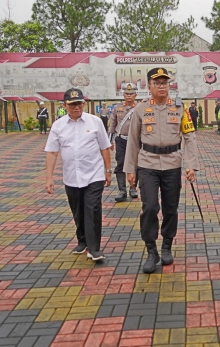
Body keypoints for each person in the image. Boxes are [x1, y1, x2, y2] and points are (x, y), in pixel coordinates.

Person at [124, 67, 198, 274]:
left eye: (165, 82)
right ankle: (151, 251)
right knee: (149, 207)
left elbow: (190, 136)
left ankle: (166, 246)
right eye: (157, 83)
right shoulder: (140, 109)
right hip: (147, 164)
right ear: (149, 87)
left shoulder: (179, 108)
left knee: (170, 208)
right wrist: (130, 170)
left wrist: (191, 164)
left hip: (172, 164)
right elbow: (132, 141)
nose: (162, 86)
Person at [44, 88, 112, 262]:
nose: (76, 107)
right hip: (71, 177)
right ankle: (82, 240)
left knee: (92, 209)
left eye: (79, 104)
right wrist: (49, 178)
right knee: (78, 210)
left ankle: (94, 248)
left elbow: (105, 147)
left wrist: (108, 170)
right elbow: (52, 152)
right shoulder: (58, 126)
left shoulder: (95, 122)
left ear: (84, 104)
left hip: (94, 174)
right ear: (64, 105)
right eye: (72, 104)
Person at [109, 83, 139, 202]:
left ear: (135, 95)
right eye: (127, 93)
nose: (129, 96)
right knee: (120, 163)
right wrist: (109, 141)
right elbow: (112, 125)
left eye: (131, 94)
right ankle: (122, 190)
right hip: (121, 140)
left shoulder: (139, 108)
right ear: (123, 94)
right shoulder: (117, 108)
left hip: (135, 141)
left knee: (135, 164)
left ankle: (133, 188)